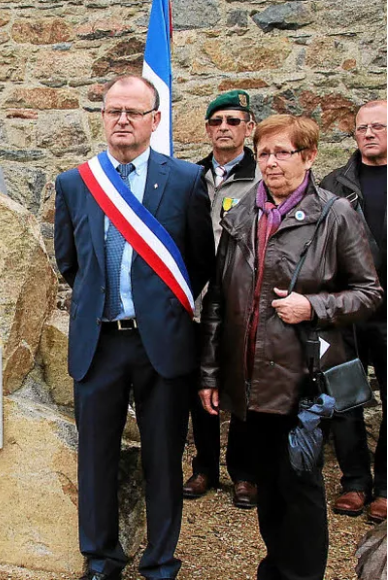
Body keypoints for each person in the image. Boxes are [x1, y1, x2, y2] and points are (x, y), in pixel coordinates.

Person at [200, 114, 382, 580]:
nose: (271, 162)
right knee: (269, 486)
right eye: (263, 153)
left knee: (299, 488)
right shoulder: (241, 215)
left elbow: (369, 293)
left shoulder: (335, 214)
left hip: (303, 381)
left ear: (309, 156)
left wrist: (314, 306)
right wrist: (211, 374)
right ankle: (276, 570)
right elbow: (218, 300)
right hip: (250, 379)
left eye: (282, 152)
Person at [54, 75, 214, 580]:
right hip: (99, 341)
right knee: (95, 458)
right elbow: (70, 262)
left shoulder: (186, 180)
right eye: (113, 111)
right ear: (103, 117)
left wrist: (157, 307)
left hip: (160, 343)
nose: (122, 120)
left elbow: (199, 262)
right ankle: (101, 558)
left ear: (155, 120)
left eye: (133, 112)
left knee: (163, 459)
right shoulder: (76, 182)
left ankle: (160, 561)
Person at [184, 90, 261, 508]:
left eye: (233, 121)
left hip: (242, 297)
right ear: (207, 129)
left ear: (249, 127)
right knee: (201, 382)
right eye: (217, 122)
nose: (224, 128)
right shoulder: (191, 176)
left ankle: (244, 472)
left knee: (242, 383)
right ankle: (205, 467)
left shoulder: (261, 176)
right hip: (200, 296)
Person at [320, 99, 388, 522]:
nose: (368, 134)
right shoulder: (334, 183)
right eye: (362, 128)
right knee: (344, 396)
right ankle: (356, 482)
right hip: (347, 310)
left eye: (378, 127)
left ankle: (385, 487)